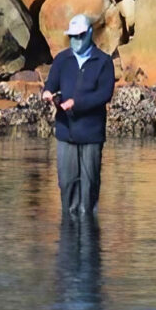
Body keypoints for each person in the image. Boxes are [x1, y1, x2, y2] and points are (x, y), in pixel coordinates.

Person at [41, 14, 115, 217]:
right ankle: (69, 238)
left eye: (80, 36)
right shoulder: (62, 59)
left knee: (89, 186)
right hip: (66, 132)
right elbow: (51, 84)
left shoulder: (104, 62)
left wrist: (77, 103)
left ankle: (89, 235)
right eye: (72, 36)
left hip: (91, 134)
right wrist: (47, 93)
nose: (76, 41)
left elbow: (104, 94)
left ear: (90, 33)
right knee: (67, 184)